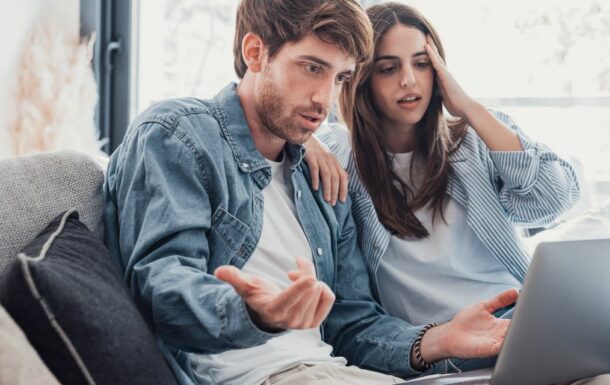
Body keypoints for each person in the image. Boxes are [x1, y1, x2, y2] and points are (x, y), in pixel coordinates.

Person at [305, 2, 610, 385]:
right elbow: (279, 120)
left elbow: (554, 199)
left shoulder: (471, 139)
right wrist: (308, 142)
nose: (410, 80)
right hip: (453, 343)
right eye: (389, 68)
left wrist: (471, 109)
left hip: (527, 326)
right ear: (361, 78)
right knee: (605, 314)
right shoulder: (340, 158)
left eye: (422, 64)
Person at [102, 1, 522, 385]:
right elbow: (161, 287)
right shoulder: (178, 136)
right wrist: (255, 312)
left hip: (334, 373)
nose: (325, 100)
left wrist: (442, 339)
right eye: (312, 68)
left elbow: (353, 326)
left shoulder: (322, 181)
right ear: (255, 52)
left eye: (340, 77)